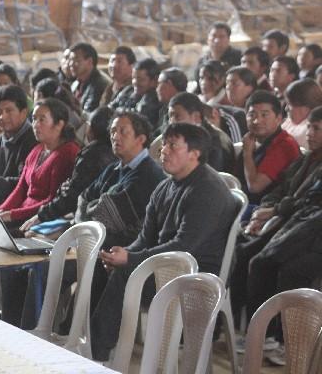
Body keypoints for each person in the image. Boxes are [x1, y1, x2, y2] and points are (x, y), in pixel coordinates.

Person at [90, 122, 237, 361]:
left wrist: (131, 260)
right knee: (107, 265)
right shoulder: (165, 186)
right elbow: (145, 238)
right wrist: (126, 253)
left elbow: (184, 247)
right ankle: (93, 344)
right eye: (164, 144)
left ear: (194, 153)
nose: (163, 151)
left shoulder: (207, 190)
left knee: (125, 275)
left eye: (172, 145)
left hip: (197, 275)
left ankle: (96, 356)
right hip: (167, 265)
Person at [231, 106, 322, 360]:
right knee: (247, 254)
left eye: (316, 128)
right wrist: (268, 208)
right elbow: (281, 188)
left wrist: (274, 213)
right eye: (310, 127)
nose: (310, 134)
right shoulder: (306, 160)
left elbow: (308, 204)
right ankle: (254, 330)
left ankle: (281, 338)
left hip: (309, 233)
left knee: (281, 267)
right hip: (294, 225)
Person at [78, 111, 166, 310]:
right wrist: (92, 211)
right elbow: (83, 199)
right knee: (48, 258)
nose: (115, 137)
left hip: (130, 244)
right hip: (103, 237)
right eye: (113, 131)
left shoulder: (147, 174)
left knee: (83, 257)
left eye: (123, 132)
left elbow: (105, 215)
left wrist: (91, 212)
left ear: (141, 139)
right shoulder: (114, 169)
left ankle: (84, 331)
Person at [19, 107, 116, 231]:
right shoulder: (116, 153)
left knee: (32, 233)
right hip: (89, 219)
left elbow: (72, 196)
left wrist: (40, 216)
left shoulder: (88, 154)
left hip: (88, 222)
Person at [0, 97, 80, 227]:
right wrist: (1, 211)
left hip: (40, 220)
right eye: (34, 119)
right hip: (21, 214)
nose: (35, 124)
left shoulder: (68, 153)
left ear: (59, 124)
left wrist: (12, 215)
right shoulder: (37, 149)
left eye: (42, 119)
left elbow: (52, 200)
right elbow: (21, 188)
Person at [236, 90, 301, 205]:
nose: (257, 121)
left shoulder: (284, 144)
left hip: (266, 207)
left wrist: (247, 154)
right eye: (252, 115)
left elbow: (255, 187)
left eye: (264, 115)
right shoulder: (252, 140)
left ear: (279, 118)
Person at [151, 92, 235, 173]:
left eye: (177, 116)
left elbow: (211, 174)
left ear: (196, 117)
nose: (172, 122)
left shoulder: (217, 142)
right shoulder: (168, 139)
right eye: (170, 117)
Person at [110, 58, 162, 129]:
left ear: (154, 80)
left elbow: (135, 118)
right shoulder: (129, 90)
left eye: (141, 79)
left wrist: (117, 111)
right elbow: (109, 108)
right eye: (133, 78)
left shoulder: (154, 98)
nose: (135, 82)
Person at [193, 22, 242, 90]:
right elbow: (198, 86)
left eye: (221, 37)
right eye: (214, 36)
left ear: (228, 39)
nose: (216, 40)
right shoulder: (203, 61)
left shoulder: (239, 58)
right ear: (208, 39)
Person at [69, 42, 111, 112]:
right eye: (70, 60)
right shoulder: (76, 83)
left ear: (89, 61)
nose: (71, 64)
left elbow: (89, 113)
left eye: (76, 60)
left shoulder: (99, 85)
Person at [282, 78, 322, 149]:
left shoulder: (307, 132)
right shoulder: (290, 122)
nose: (286, 109)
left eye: (290, 105)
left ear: (305, 108)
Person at [154, 67, 188, 134]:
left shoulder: (186, 107)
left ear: (169, 84)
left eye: (159, 83)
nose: (156, 89)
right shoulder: (164, 108)